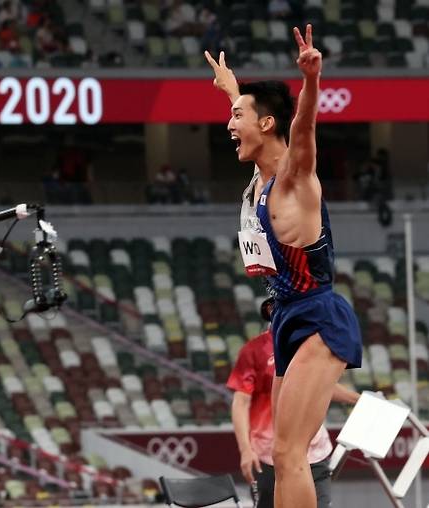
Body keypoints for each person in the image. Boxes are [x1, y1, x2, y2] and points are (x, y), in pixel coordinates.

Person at [205, 24, 363, 508]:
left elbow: (304, 128)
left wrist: (312, 81)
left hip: (317, 317)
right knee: (280, 453)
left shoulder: (294, 178)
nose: (229, 124)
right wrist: (232, 89)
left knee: (292, 453)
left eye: (237, 117)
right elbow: (258, 114)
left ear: (268, 125)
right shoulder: (261, 175)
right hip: (285, 316)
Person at [227, 298, 360, 508]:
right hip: (272, 455)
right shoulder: (254, 350)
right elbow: (240, 402)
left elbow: (320, 385)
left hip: (316, 452)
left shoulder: (311, 343)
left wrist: (359, 399)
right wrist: (245, 450)